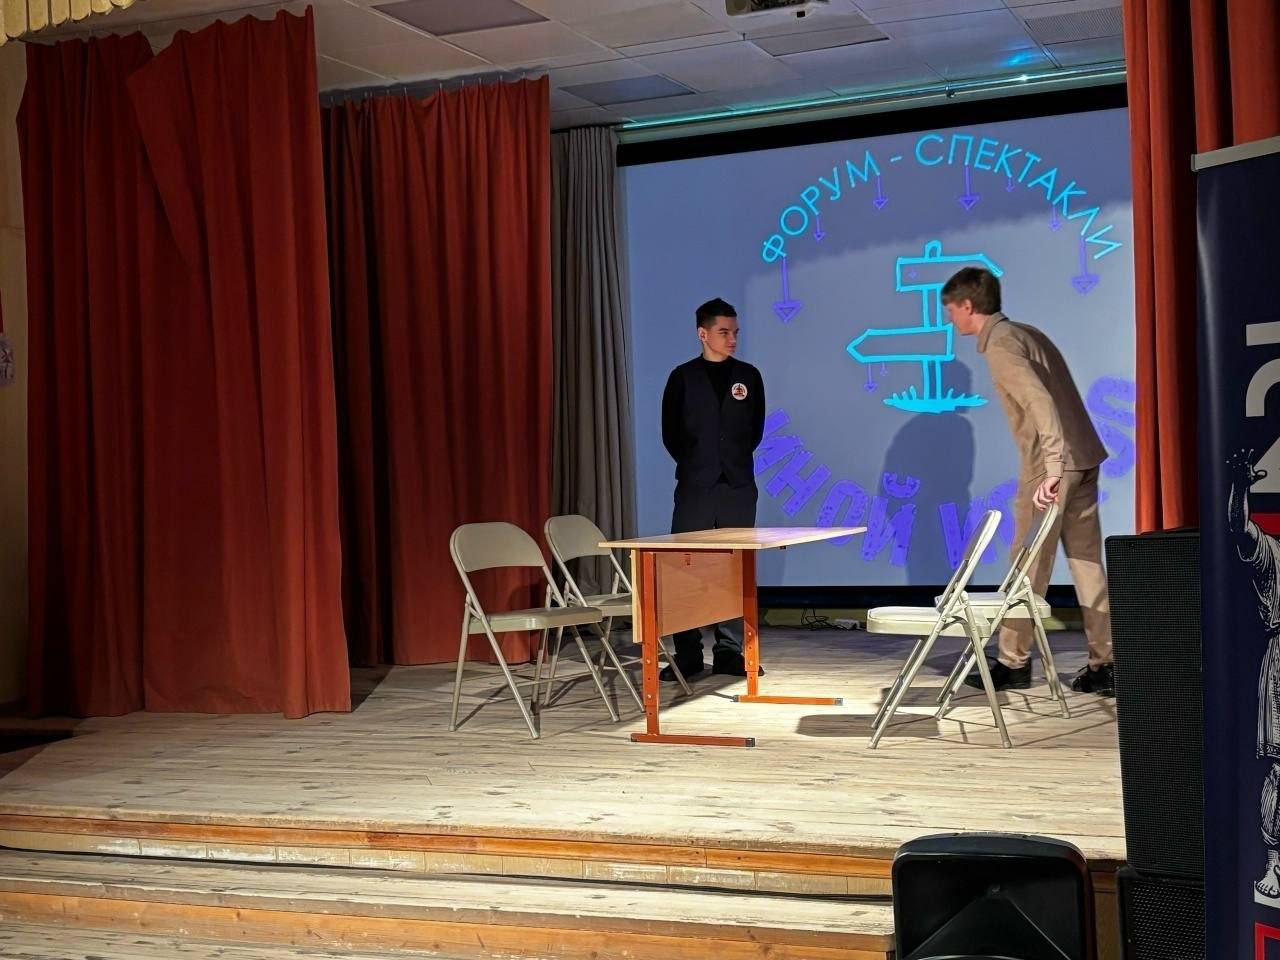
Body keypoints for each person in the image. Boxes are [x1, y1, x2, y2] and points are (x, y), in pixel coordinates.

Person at [940, 267, 1114, 695]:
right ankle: (1106, 662)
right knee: (1087, 563)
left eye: (950, 309)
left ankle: (1013, 661)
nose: (948, 318)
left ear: (967, 305)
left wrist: (1052, 467)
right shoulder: (1027, 333)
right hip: (1083, 457)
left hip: (1052, 466)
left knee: (1027, 564)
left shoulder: (1001, 344)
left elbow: (1040, 401)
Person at [658, 297, 765, 681]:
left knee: (735, 568)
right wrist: (699, 465)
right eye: (724, 332)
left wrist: (728, 462)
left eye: (735, 332)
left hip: (737, 486)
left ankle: (730, 651)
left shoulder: (748, 376)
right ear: (703, 334)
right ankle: (687, 652)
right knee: (686, 567)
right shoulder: (682, 377)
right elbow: (671, 433)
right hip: (695, 487)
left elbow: (755, 430)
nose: (732, 339)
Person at [1226, 449, 1280, 898]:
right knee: (1279, 770)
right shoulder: (1274, 554)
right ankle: (1274, 863)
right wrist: (1242, 486)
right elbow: (1239, 530)